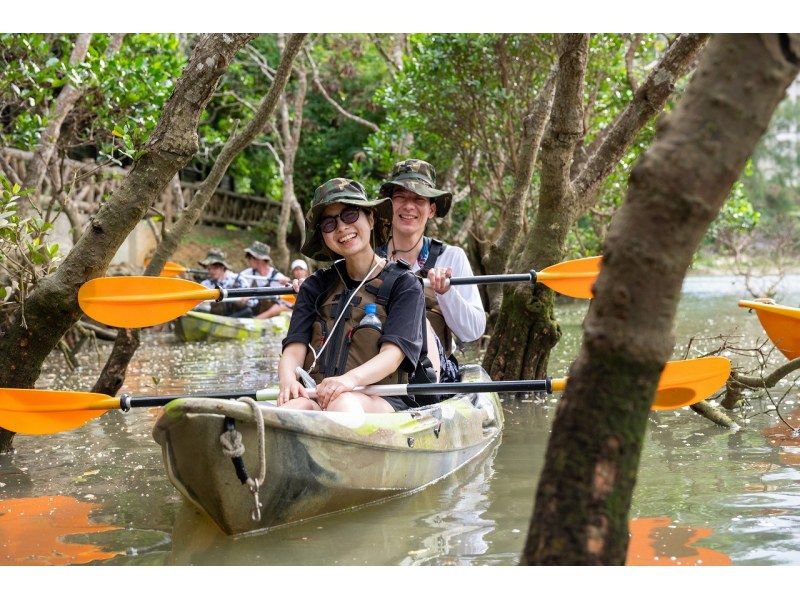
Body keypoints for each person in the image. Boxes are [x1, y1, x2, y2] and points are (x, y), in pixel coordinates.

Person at [278, 178, 440, 413]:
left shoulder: (403, 284)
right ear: (323, 234)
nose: (342, 227)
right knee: (293, 407)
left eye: (350, 215)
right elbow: (294, 349)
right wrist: (288, 382)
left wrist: (348, 381)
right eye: (329, 223)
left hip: (381, 400)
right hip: (316, 394)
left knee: (343, 403)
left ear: (371, 219)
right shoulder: (315, 285)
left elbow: (393, 356)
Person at [377, 159, 487, 382]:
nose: (409, 206)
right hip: (375, 370)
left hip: (429, 373)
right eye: (401, 197)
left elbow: (473, 332)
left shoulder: (451, 256)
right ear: (389, 205)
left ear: (432, 210)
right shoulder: (369, 257)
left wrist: (447, 293)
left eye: (419, 199)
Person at [236, 241, 292, 320]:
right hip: (248, 313)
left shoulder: (278, 278)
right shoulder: (246, 274)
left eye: (249, 257)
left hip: (268, 320)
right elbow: (236, 289)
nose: (247, 259)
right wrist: (242, 299)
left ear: (259, 259)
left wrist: (289, 283)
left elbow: (289, 304)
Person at [197, 248, 251, 318]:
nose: (211, 271)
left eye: (215, 268)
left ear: (223, 267)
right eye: (209, 268)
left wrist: (244, 300)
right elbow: (197, 305)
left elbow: (253, 302)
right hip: (212, 319)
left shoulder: (239, 280)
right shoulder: (205, 284)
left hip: (237, 320)